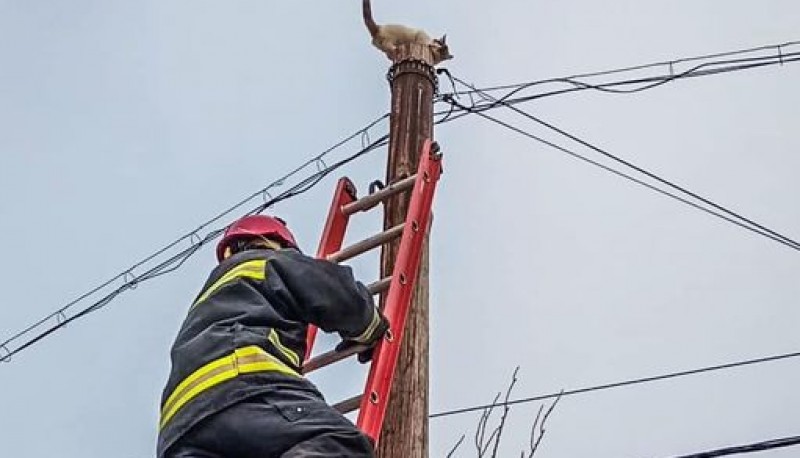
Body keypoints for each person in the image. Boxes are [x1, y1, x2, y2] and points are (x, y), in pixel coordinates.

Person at [157, 214, 389, 458]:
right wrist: (370, 327)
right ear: (274, 244)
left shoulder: (208, 301)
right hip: (244, 389)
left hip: (178, 433)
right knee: (339, 445)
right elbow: (336, 293)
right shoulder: (267, 262)